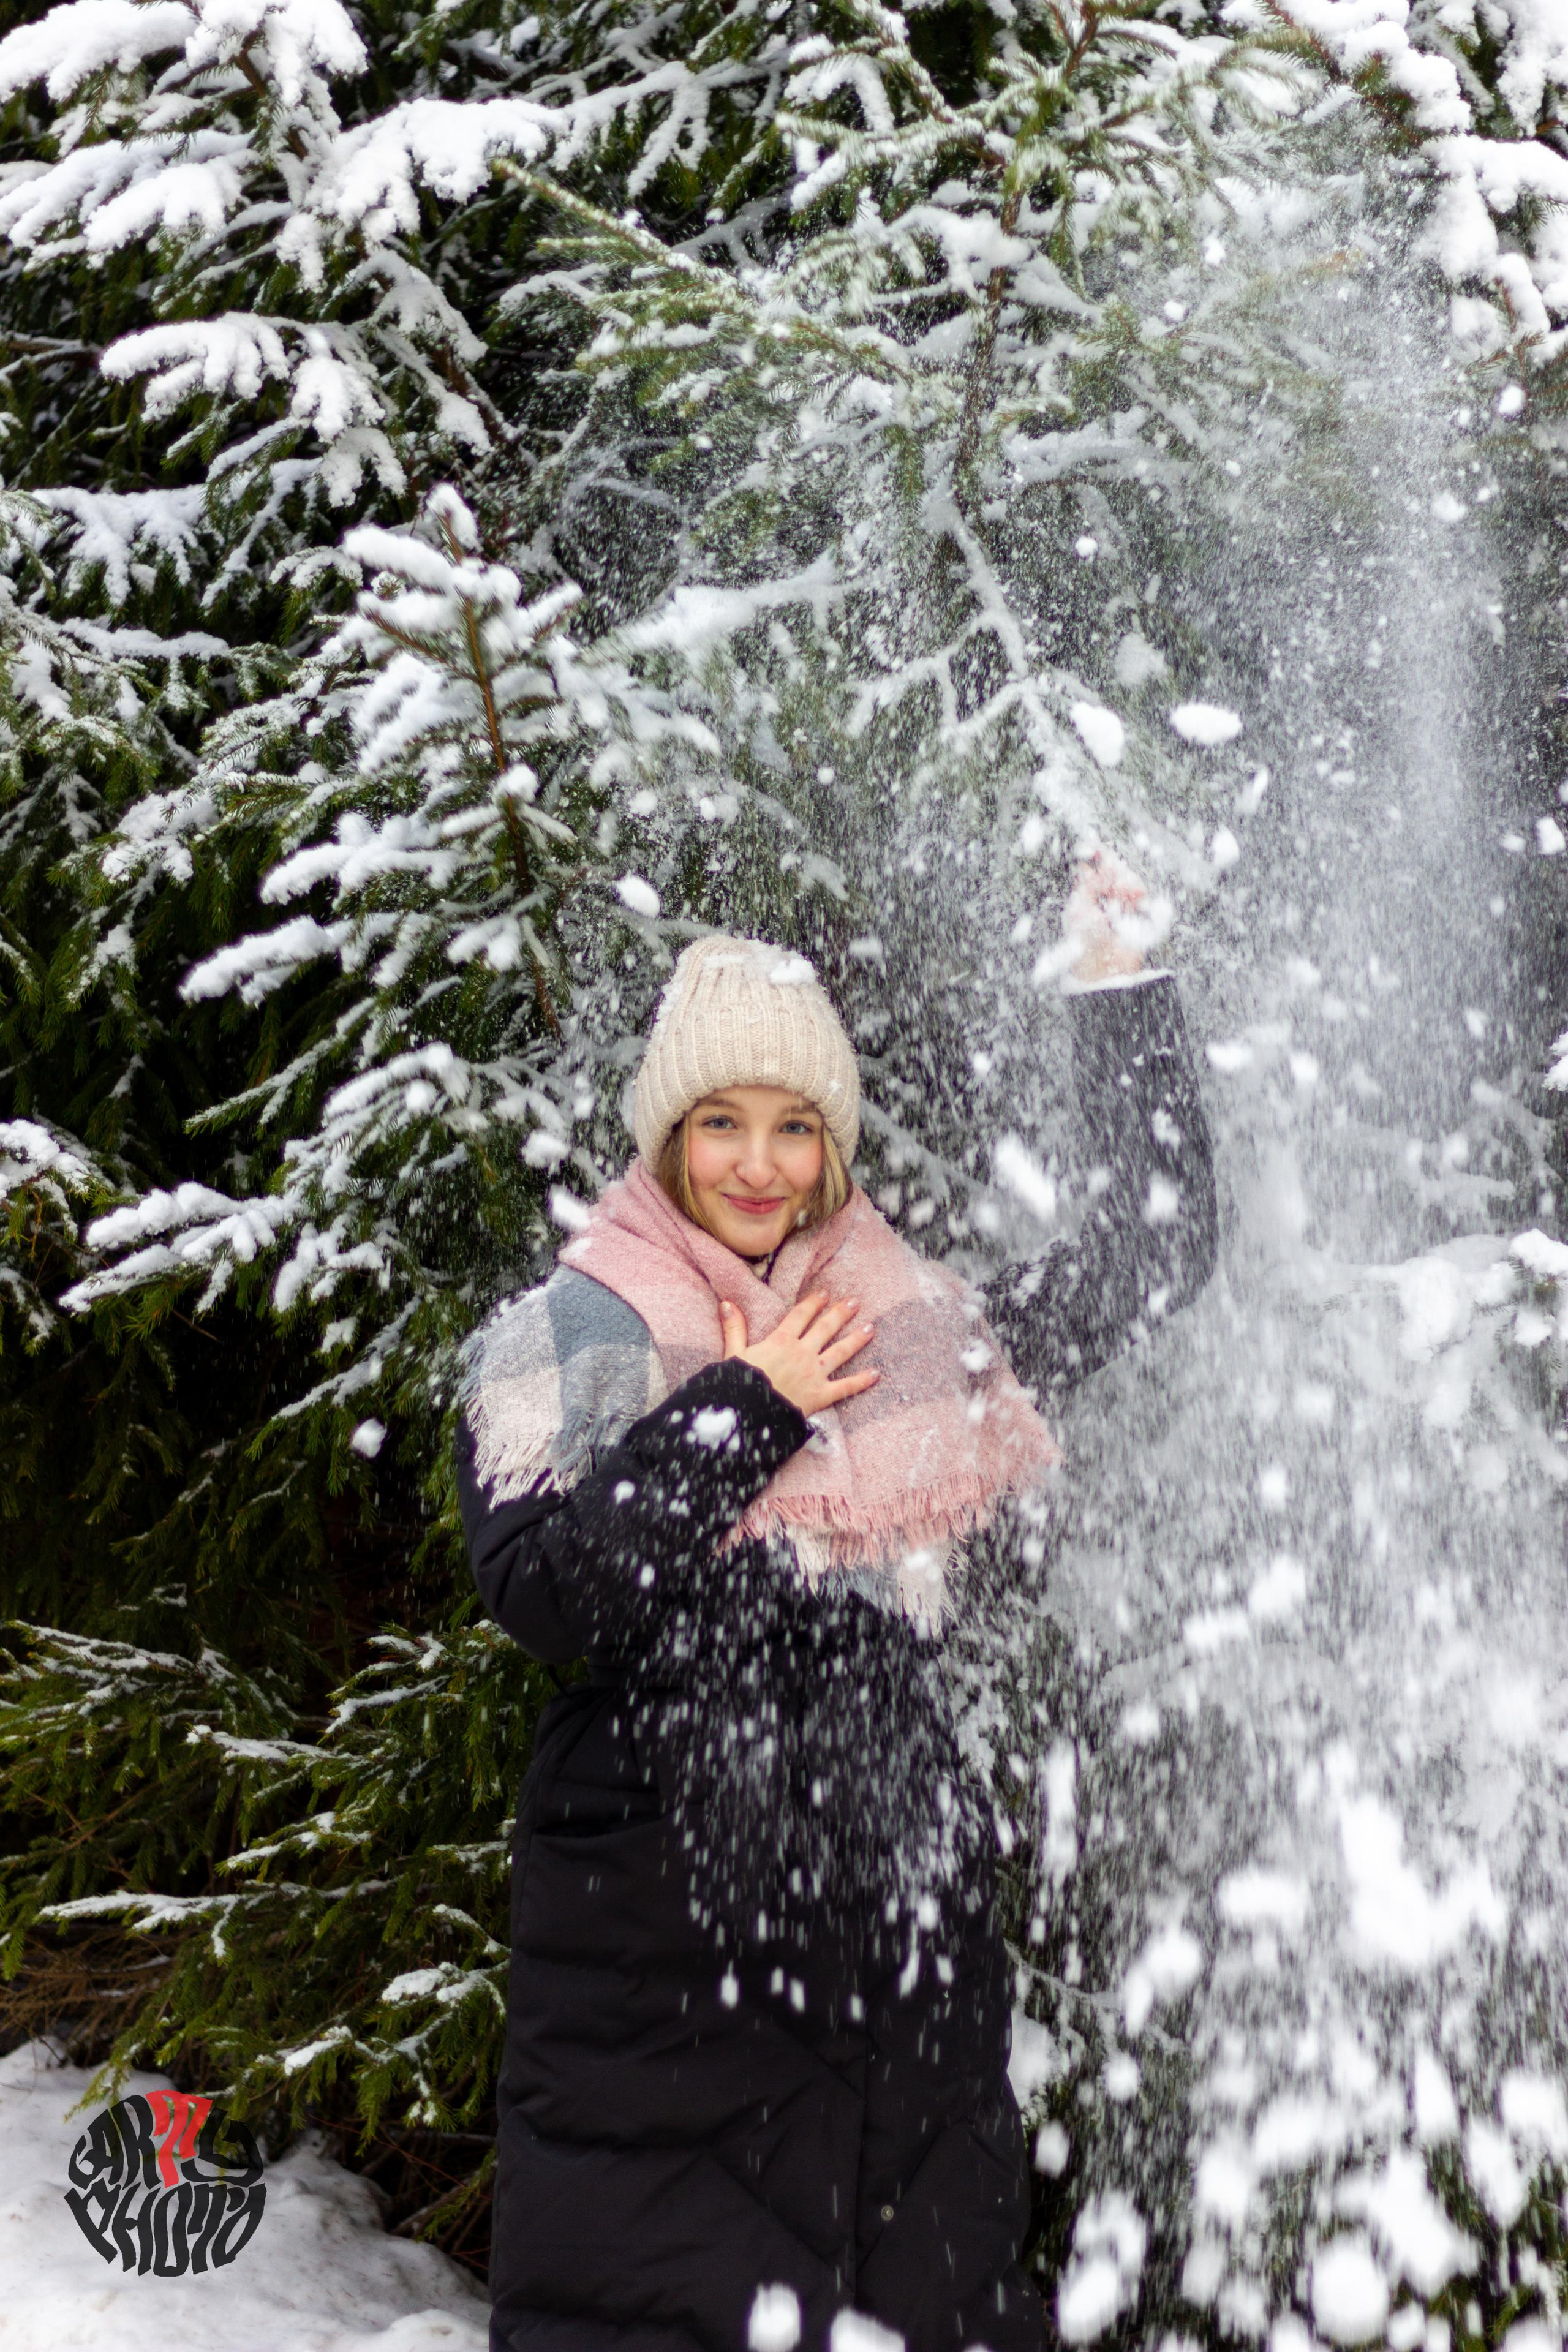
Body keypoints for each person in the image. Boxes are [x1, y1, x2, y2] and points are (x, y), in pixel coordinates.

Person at [457, 853, 1217, 2352]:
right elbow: (546, 1593)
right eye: (720, 1123)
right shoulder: (572, 1330)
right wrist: (749, 1404)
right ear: (665, 1136)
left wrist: (1120, 989)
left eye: (793, 1125)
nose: (757, 1163)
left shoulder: (895, 1329)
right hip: (662, 1951)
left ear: (833, 1144)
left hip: (895, 1934)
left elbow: (1148, 1256)